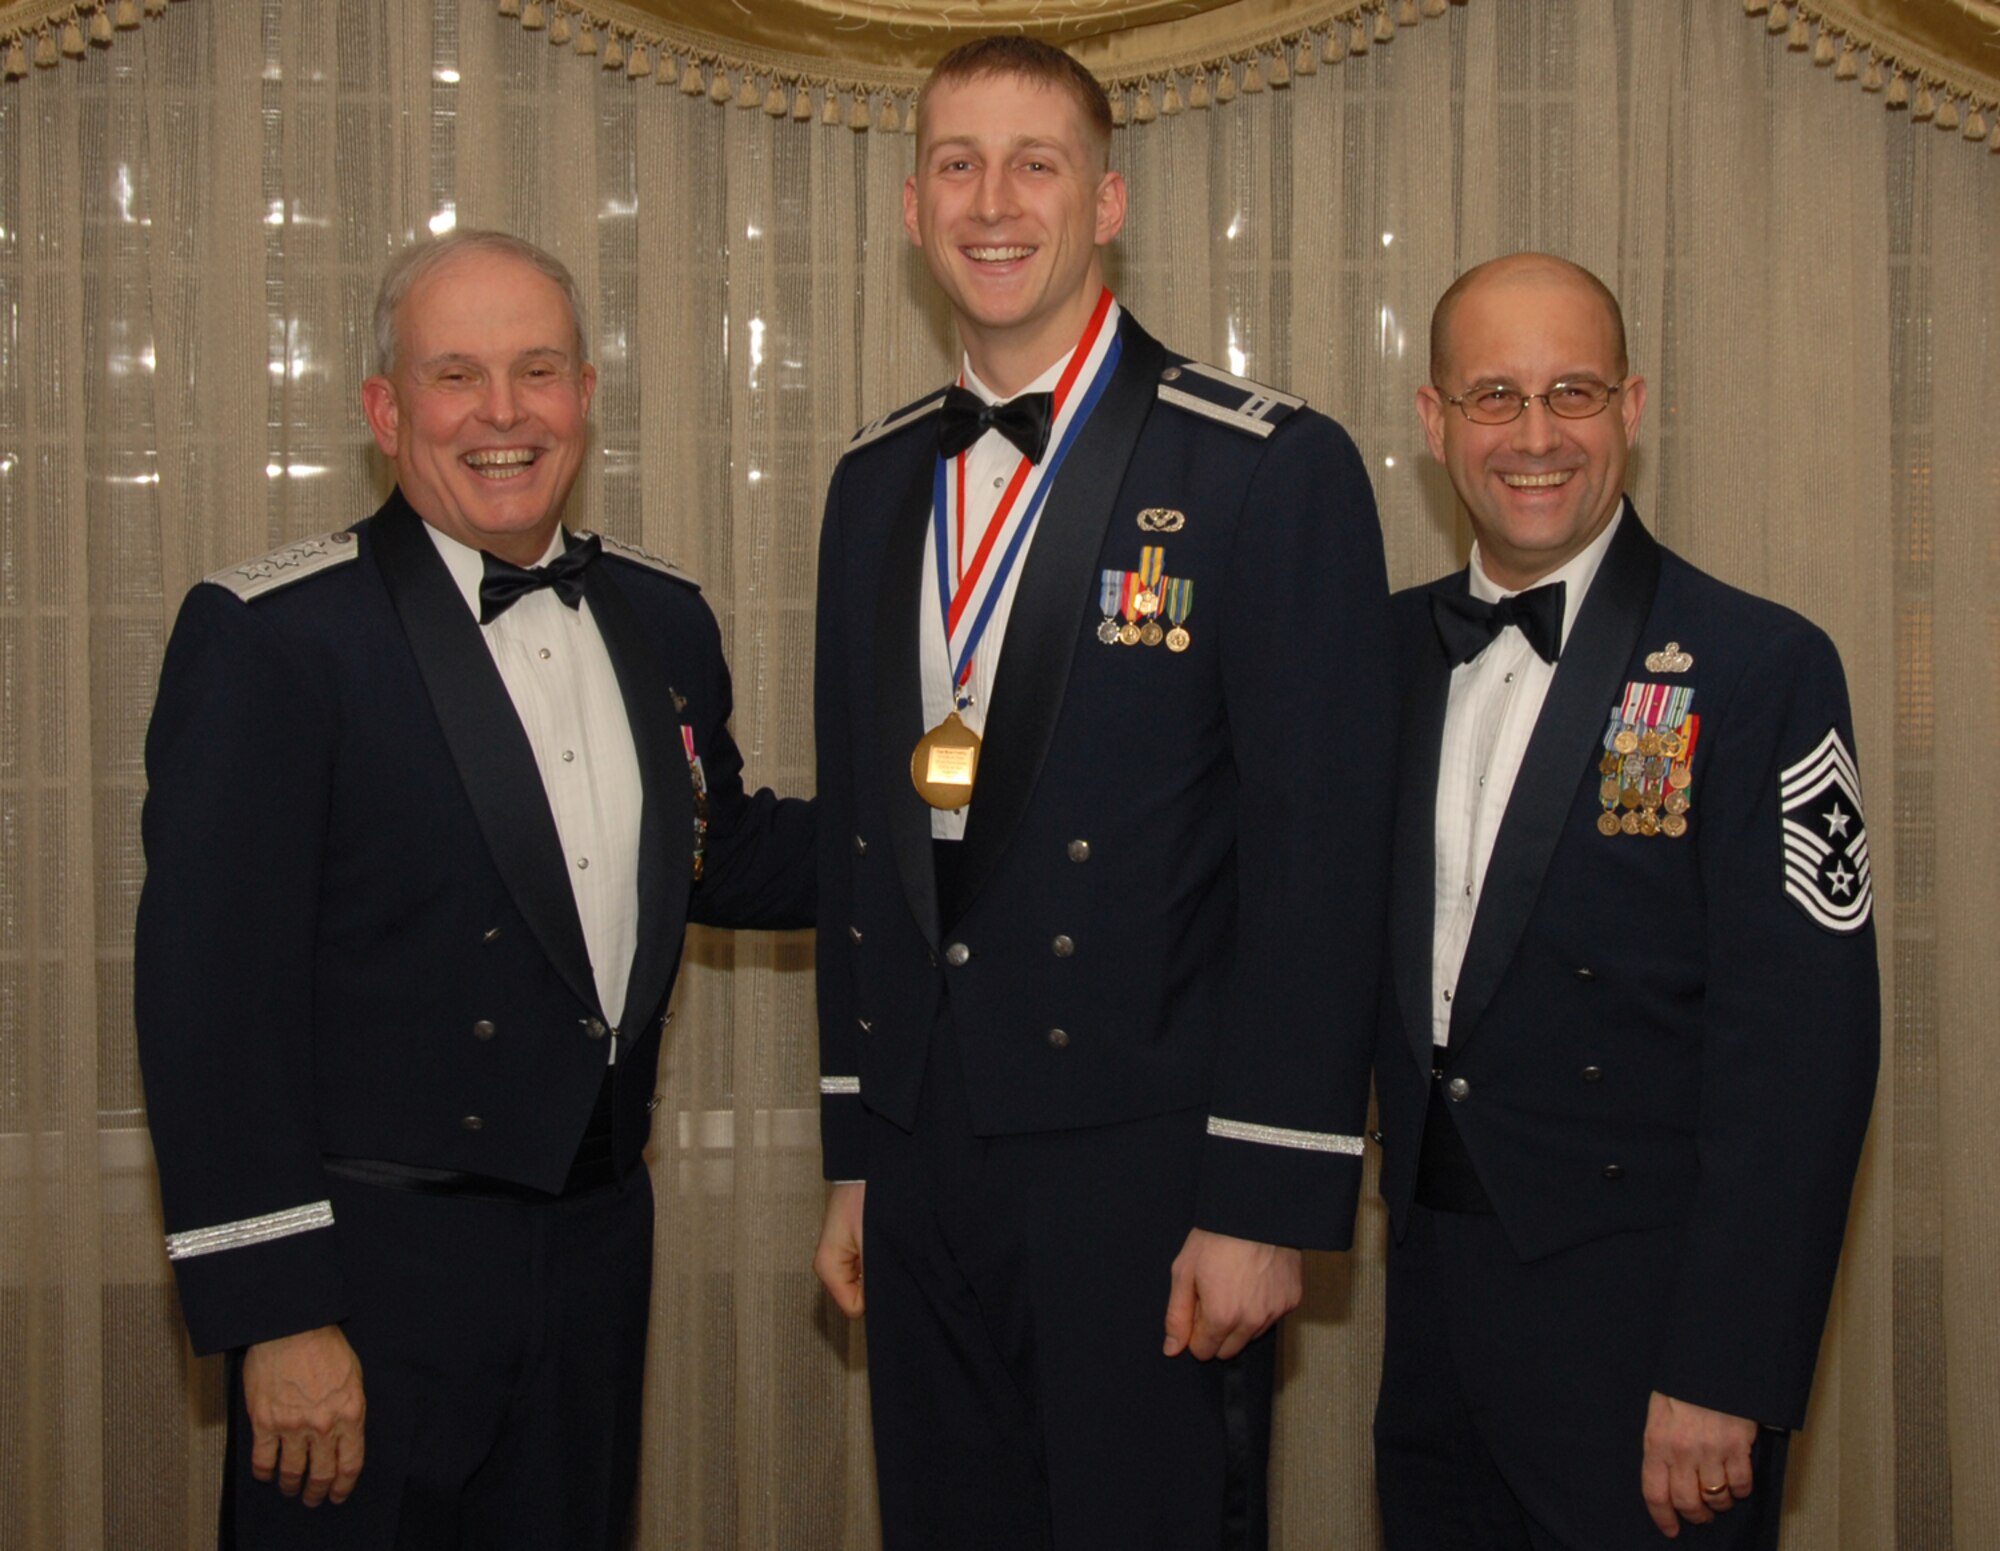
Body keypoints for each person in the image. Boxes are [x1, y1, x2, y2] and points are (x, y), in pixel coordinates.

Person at [134, 229, 814, 1548]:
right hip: (369, 1279)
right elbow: (211, 1004)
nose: (503, 414)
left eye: (537, 370)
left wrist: (952, 836)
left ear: (584, 396)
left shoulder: (660, 620)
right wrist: (277, 1310)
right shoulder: (276, 639)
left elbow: (712, 851)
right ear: (388, 412)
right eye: (457, 377)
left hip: (598, 1256)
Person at [809, 36, 1393, 1550]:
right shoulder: (871, 482)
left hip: (1151, 1170)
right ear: (910, 205)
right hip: (930, 1155)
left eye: (1036, 164)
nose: (992, 202)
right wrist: (860, 1155)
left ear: (1107, 199)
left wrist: (1267, 1195)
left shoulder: (1267, 469)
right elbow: (873, 850)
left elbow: (1321, 862)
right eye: (957, 164)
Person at [1372, 251, 1879, 1549]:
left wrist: (1727, 1369)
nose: (1536, 436)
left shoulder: (1761, 667)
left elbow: (1802, 1060)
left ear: (1633, 409)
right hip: (1432, 1323)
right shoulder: (1372, 658)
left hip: (1650, 1343)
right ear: (1434, 424)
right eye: (1495, 396)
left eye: (1573, 393)